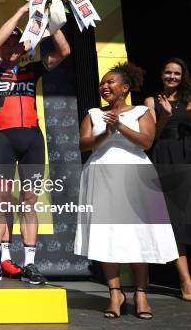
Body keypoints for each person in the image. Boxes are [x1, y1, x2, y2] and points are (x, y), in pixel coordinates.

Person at [75, 62, 178, 319]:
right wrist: (106, 133)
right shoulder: (94, 113)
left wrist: (119, 126)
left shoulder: (142, 111)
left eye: (110, 82)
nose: (104, 86)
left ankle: (141, 293)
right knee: (107, 234)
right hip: (102, 178)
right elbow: (84, 144)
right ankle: (115, 293)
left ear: (125, 88)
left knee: (138, 234)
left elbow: (146, 142)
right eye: (102, 83)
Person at [0, 2, 70, 286]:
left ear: (23, 48)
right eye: (8, 44)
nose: (10, 48)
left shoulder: (32, 70)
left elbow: (64, 52)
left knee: (30, 202)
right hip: (3, 139)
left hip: (32, 138)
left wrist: (49, 19)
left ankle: (30, 263)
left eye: (16, 44)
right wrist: (23, 10)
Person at [144, 57, 191, 301]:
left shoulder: (189, 100)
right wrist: (165, 115)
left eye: (177, 73)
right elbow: (151, 137)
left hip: (187, 157)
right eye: (168, 73)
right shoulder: (152, 101)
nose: (172, 77)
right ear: (161, 75)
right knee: (175, 223)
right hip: (165, 160)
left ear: (182, 77)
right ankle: (186, 281)